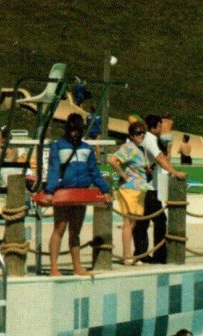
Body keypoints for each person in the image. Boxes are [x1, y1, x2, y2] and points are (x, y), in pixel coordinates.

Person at [44, 113, 111, 276]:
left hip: (80, 194)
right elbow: (53, 170)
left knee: (75, 231)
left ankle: (78, 267)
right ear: (67, 129)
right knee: (59, 228)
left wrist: (105, 190)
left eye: (78, 130)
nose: (75, 133)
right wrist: (49, 191)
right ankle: (54, 267)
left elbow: (94, 173)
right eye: (72, 130)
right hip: (63, 193)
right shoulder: (58, 146)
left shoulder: (87, 148)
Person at [132, 114, 186, 264]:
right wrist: (175, 172)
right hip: (149, 188)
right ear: (154, 126)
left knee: (142, 222)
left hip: (144, 186)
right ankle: (159, 254)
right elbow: (160, 158)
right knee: (159, 220)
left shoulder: (147, 139)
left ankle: (141, 253)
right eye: (160, 126)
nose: (162, 129)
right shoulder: (150, 139)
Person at [109, 121, 148, 263]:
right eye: (138, 133)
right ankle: (126, 256)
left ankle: (129, 254)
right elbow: (113, 161)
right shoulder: (129, 147)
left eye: (143, 132)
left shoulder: (137, 148)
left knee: (133, 223)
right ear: (131, 135)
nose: (141, 135)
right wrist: (123, 175)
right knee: (128, 223)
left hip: (138, 189)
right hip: (130, 189)